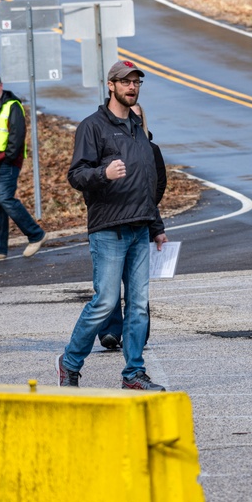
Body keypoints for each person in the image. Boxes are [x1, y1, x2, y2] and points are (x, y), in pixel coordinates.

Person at [56, 60, 167, 391]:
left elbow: (147, 183)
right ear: (111, 85)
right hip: (108, 229)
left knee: (138, 305)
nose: (132, 87)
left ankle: (134, 373)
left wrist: (156, 225)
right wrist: (103, 174)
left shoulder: (139, 129)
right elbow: (76, 175)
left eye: (137, 82)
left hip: (139, 227)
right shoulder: (93, 126)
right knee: (104, 302)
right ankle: (70, 362)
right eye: (126, 82)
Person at [98, 103, 167, 350]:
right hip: (113, 221)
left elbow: (157, 187)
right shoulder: (107, 143)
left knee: (137, 288)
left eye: (137, 116)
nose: (132, 120)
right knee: (109, 284)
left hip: (141, 221)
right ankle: (110, 331)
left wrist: (156, 225)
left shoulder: (151, 149)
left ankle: (137, 335)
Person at [0, 72, 46, 261]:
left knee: (6, 199)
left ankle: (36, 234)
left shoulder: (12, 106)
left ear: (1, 86)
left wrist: (7, 159)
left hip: (6, 163)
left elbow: (17, 135)